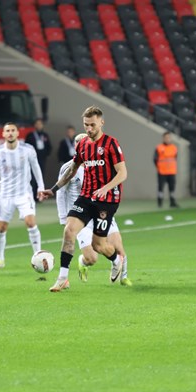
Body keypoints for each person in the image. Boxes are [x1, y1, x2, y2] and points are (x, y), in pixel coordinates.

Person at [38, 105, 127, 292]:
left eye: (92, 125)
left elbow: (122, 173)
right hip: (86, 197)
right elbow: (72, 170)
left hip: (106, 200)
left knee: (99, 245)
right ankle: (62, 278)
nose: (89, 129)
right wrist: (54, 189)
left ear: (101, 122)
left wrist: (105, 188)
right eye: (86, 125)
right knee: (69, 231)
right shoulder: (83, 145)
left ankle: (116, 260)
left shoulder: (111, 144)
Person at [56, 133, 131, 286]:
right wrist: (63, 217)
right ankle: (82, 263)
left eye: (81, 141)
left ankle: (124, 277)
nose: (79, 144)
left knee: (117, 246)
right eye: (76, 142)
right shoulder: (68, 167)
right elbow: (61, 192)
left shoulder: (102, 164)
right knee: (92, 258)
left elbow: (117, 178)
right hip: (82, 214)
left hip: (102, 209)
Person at [0, 121, 45, 269]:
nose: (10, 133)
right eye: (7, 131)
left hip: (24, 194)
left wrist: (41, 187)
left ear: (18, 133)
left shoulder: (28, 149)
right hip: (6, 196)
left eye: (13, 130)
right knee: (1, 227)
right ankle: (0, 259)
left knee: (30, 222)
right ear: (3, 134)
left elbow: (36, 168)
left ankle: (38, 256)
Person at [153, 131, 179, 208]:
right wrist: (159, 167)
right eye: (166, 137)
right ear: (163, 138)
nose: (167, 139)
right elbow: (155, 159)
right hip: (162, 171)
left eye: (169, 137)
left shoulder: (174, 148)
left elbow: (175, 158)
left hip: (172, 171)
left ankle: (172, 202)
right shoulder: (159, 147)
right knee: (160, 187)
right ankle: (160, 202)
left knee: (172, 188)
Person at [25, 117, 52, 183]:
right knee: (33, 177)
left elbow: (49, 146)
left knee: (41, 176)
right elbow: (26, 146)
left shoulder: (45, 135)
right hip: (32, 159)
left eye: (40, 124)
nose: (39, 125)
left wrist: (45, 154)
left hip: (42, 159)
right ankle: (33, 192)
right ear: (35, 125)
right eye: (37, 124)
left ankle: (39, 191)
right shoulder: (30, 135)